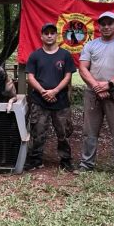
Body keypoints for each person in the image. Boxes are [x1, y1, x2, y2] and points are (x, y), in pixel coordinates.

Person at [76, 11, 114, 183]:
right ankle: (86, 164)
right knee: (89, 131)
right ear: (99, 26)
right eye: (103, 24)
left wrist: (109, 84)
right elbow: (83, 68)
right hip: (93, 93)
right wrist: (96, 86)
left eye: (110, 23)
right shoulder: (90, 45)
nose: (106, 26)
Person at [24, 23, 76, 171]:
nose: (49, 36)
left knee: (64, 132)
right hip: (39, 100)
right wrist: (43, 92)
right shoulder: (35, 55)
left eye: (52, 33)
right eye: (46, 33)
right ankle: (35, 160)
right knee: (37, 131)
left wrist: (55, 91)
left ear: (56, 35)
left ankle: (65, 160)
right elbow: (30, 77)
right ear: (41, 36)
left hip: (61, 100)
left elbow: (68, 76)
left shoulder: (65, 55)